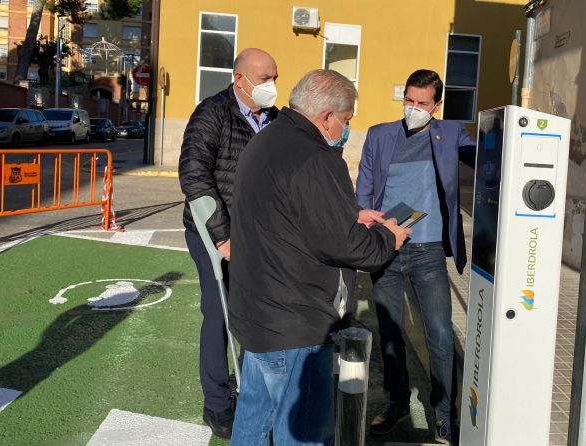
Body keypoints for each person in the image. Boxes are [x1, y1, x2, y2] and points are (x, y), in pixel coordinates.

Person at [228, 69, 412, 446]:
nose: (345, 129)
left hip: (256, 315)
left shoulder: (267, 140)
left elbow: (286, 212)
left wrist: (350, 214)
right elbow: (350, 247)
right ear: (328, 116)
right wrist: (387, 237)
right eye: (346, 121)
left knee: (252, 424)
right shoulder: (316, 157)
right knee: (305, 435)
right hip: (295, 323)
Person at [355, 69, 476, 443]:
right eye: (409, 100)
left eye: (423, 103)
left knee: (440, 334)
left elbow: (487, 156)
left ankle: (444, 414)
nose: (414, 108)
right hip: (386, 247)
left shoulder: (451, 133)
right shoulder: (379, 135)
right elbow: (365, 187)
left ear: (437, 105)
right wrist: (365, 232)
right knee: (391, 334)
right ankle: (397, 404)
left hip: (428, 251)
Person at [178, 48, 279, 439]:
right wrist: (223, 236)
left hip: (258, 235)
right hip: (211, 233)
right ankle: (217, 402)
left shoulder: (276, 119)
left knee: (254, 311)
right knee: (219, 311)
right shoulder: (212, 113)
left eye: (275, 77)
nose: (271, 85)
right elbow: (194, 175)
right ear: (240, 79)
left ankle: (256, 386)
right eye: (264, 78)